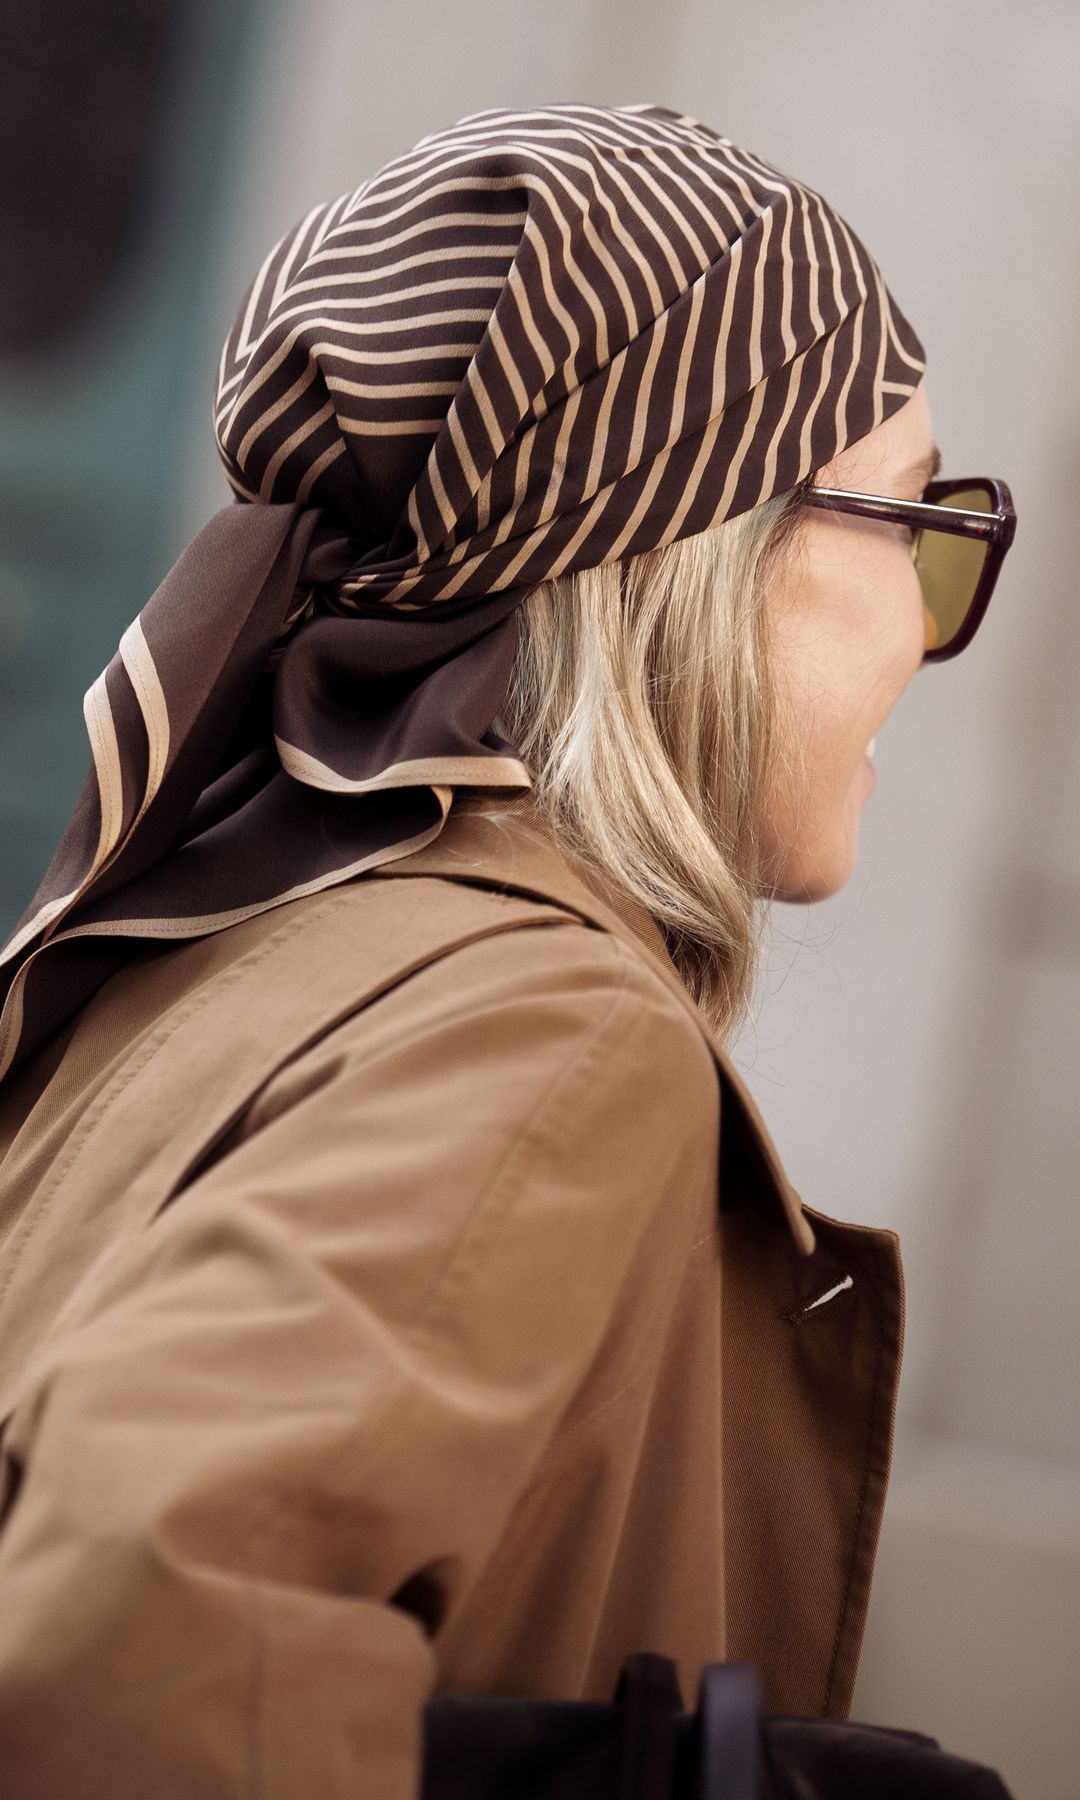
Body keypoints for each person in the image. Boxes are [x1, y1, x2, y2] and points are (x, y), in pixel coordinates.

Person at [0, 104, 1015, 1797]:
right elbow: (134, 1656)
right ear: (694, 549)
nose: (926, 622)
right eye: (911, 527)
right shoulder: (545, 1028)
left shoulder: (231, 950)